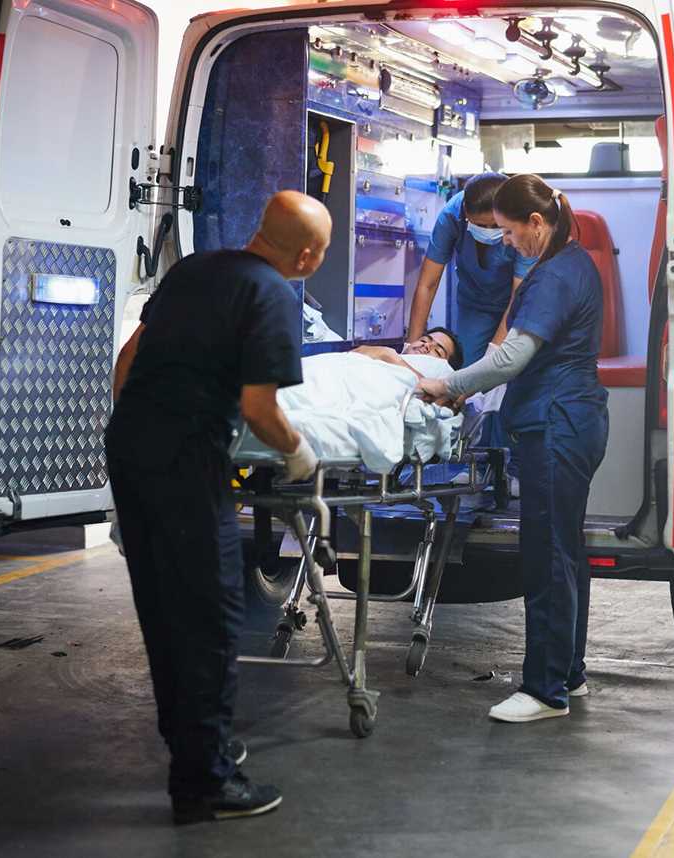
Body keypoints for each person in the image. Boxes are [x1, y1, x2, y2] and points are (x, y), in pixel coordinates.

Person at [105, 191, 330, 823]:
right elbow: (261, 409)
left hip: (132, 445)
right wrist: (299, 453)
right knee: (209, 615)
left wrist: (142, 431)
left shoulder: (195, 269)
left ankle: (193, 745)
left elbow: (128, 362)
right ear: (308, 255)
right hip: (184, 459)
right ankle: (206, 782)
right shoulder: (274, 297)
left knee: (160, 601)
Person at [416, 175, 609, 723]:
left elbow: (510, 358)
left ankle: (546, 691)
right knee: (565, 551)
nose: (503, 242)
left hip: (557, 425)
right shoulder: (571, 265)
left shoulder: (552, 278)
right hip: (571, 420)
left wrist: (448, 384)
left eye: (507, 231)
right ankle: (568, 672)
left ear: (536, 224)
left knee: (547, 555)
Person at [406, 173, 534, 363]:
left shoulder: (520, 221)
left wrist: (493, 355)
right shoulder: (451, 215)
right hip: (476, 305)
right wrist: (410, 348)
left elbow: (518, 297)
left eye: (496, 225)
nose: (489, 231)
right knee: (467, 369)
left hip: (521, 306)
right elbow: (428, 284)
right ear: (465, 212)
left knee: (508, 367)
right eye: (481, 225)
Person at [352, 326, 464, 377]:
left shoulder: (388, 354)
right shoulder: (389, 354)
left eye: (438, 351)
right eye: (424, 340)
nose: (427, 345)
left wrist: (387, 356)